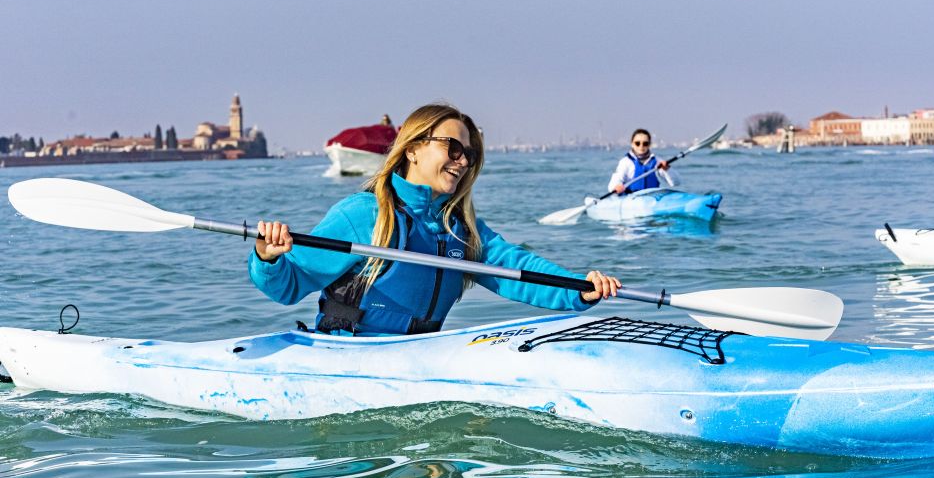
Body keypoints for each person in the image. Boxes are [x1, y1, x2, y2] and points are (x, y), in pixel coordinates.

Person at [250, 103, 621, 336]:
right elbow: (289, 286)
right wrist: (269, 257)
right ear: (412, 148)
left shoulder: (459, 228)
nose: (462, 161)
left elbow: (517, 269)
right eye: (453, 148)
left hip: (419, 356)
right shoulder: (364, 214)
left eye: (470, 156)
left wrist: (579, 288)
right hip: (349, 357)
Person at [608, 128, 671, 195]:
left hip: (652, 198)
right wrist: (616, 186)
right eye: (637, 143)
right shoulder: (625, 162)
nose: (641, 146)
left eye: (645, 143)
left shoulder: (658, 161)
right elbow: (616, 180)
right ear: (632, 144)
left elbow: (676, 183)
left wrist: (667, 170)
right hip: (632, 199)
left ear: (649, 144)